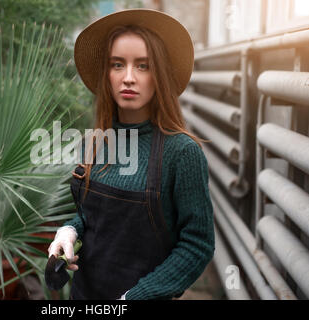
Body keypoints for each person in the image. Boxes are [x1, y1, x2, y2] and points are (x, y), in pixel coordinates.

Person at [47, 8, 215, 300]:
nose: (127, 77)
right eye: (117, 65)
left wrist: (136, 296)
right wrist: (69, 231)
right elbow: (94, 218)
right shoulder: (95, 143)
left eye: (142, 66)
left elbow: (197, 244)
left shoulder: (182, 153)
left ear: (159, 74)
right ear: (106, 74)